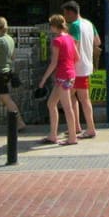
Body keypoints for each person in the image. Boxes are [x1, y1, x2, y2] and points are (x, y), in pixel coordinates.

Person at [62, 0, 101, 139]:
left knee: (82, 98)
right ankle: (76, 126)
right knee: (75, 96)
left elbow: (73, 46)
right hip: (87, 65)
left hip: (77, 67)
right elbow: (98, 42)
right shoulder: (89, 24)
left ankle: (90, 128)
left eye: (65, 14)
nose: (64, 18)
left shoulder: (74, 26)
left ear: (71, 12)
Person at [38, 14, 78, 146]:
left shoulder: (57, 41)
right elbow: (77, 57)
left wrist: (44, 79)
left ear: (55, 26)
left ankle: (72, 137)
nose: (50, 28)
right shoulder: (70, 39)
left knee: (67, 107)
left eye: (51, 25)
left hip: (62, 75)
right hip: (70, 74)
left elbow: (53, 62)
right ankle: (53, 135)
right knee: (51, 103)